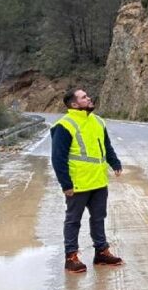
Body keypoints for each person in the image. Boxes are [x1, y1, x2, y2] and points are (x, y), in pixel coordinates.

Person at [51, 88, 124, 273]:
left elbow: (106, 146)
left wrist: (114, 163)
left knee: (99, 218)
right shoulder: (65, 125)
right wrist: (65, 184)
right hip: (78, 183)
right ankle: (71, 256)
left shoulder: (98, 121)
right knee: (73, 220)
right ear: (74, 104)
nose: (89, 98)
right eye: (84, 97)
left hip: (99, 181)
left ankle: (101, 252)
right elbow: (58, 158)